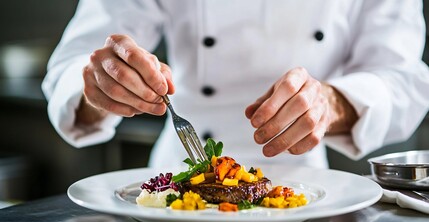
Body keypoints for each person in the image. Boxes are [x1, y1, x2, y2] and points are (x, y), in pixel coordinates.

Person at [42, 0, 429, 169]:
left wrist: (330, 103)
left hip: (307, 189)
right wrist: (102, 81)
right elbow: (73, 63)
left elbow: (404, 79)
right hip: (178, 187)